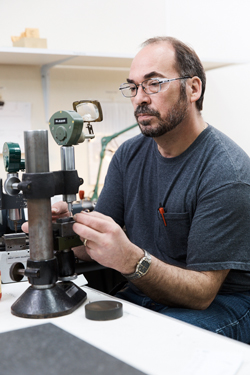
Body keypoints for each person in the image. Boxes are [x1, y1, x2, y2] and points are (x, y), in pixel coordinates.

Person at [25, 36, 250, 343]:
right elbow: (98, 246)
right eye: (133, 87)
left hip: (223, 304)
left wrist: (131, 259)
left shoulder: (226, 172)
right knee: (80, 336)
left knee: (155, 343)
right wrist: (67, 229)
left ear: (193, 88)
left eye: (154, 84)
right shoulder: (128, 155)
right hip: (147, 290)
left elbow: (202, 294)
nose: (140, 98)